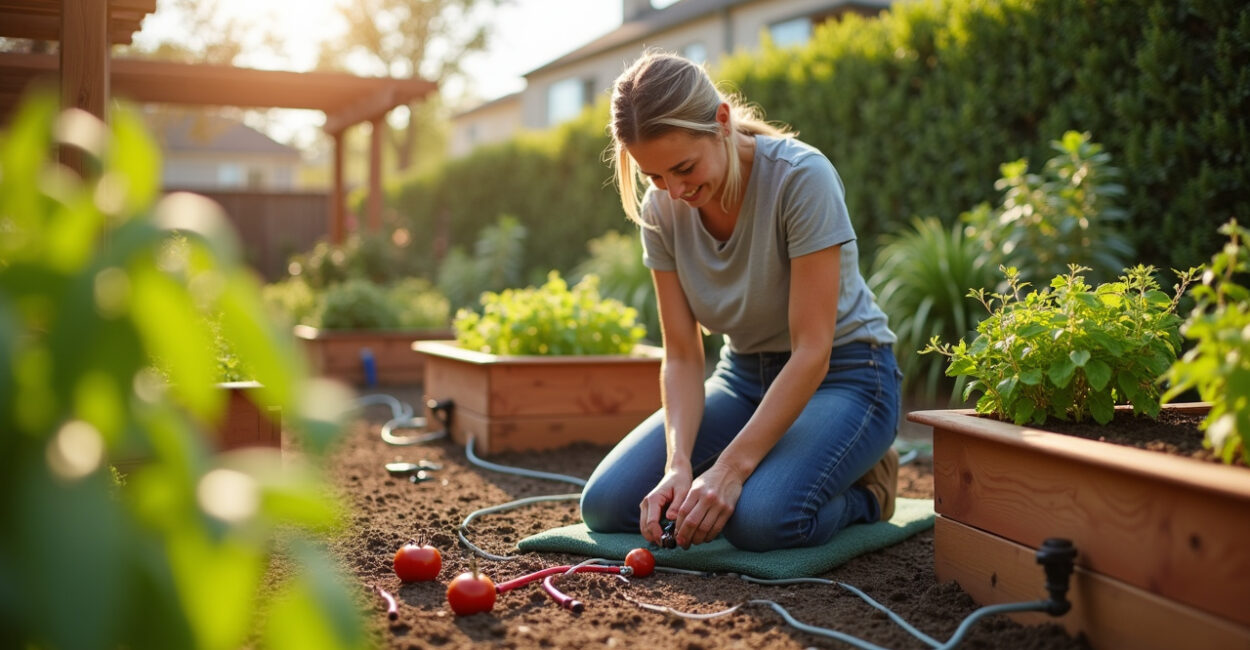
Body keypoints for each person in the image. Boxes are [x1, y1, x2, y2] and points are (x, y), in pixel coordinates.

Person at [579, 51, 903, 552]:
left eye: (684, 168)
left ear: (722, 122)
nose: (675, 190)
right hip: (744, 377)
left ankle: (867, 491)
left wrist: (730, 469)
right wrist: (678, 464)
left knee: (761, 521)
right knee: (608, 504)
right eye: (655, 176)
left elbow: (812, 351)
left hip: (847, 375)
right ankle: (780, 463)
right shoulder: (662, 208)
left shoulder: (801, 179)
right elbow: (684, 356)